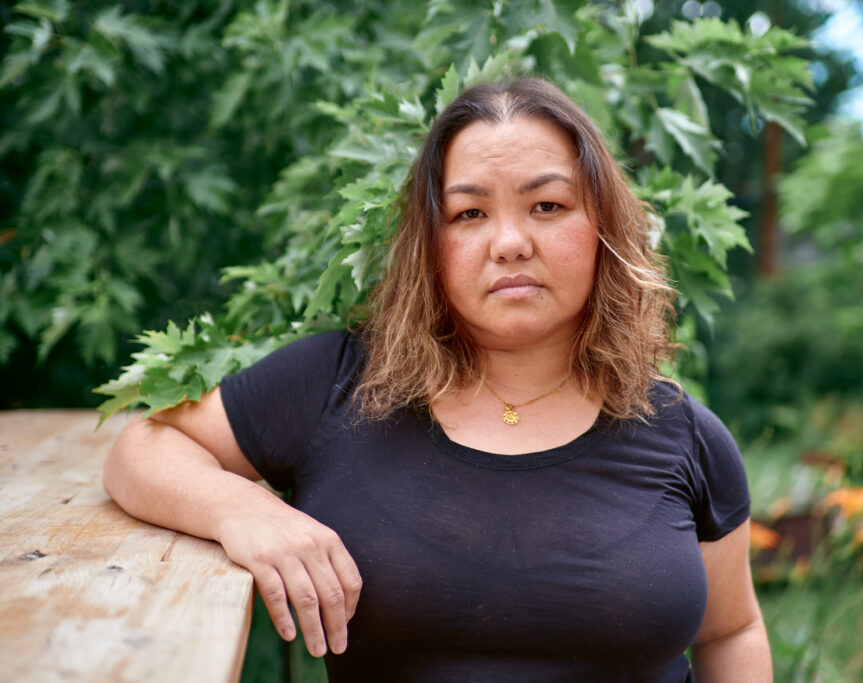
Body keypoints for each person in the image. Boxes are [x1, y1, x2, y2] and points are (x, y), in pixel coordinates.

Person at [104, 77, 771, 682]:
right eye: (470, 214)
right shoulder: (337, 383)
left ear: (603, 226)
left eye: (547, 205)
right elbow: (143, 449)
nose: (510, 241)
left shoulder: (684, 435)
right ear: (431, 243)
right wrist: (242, 510)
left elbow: (732, 630)